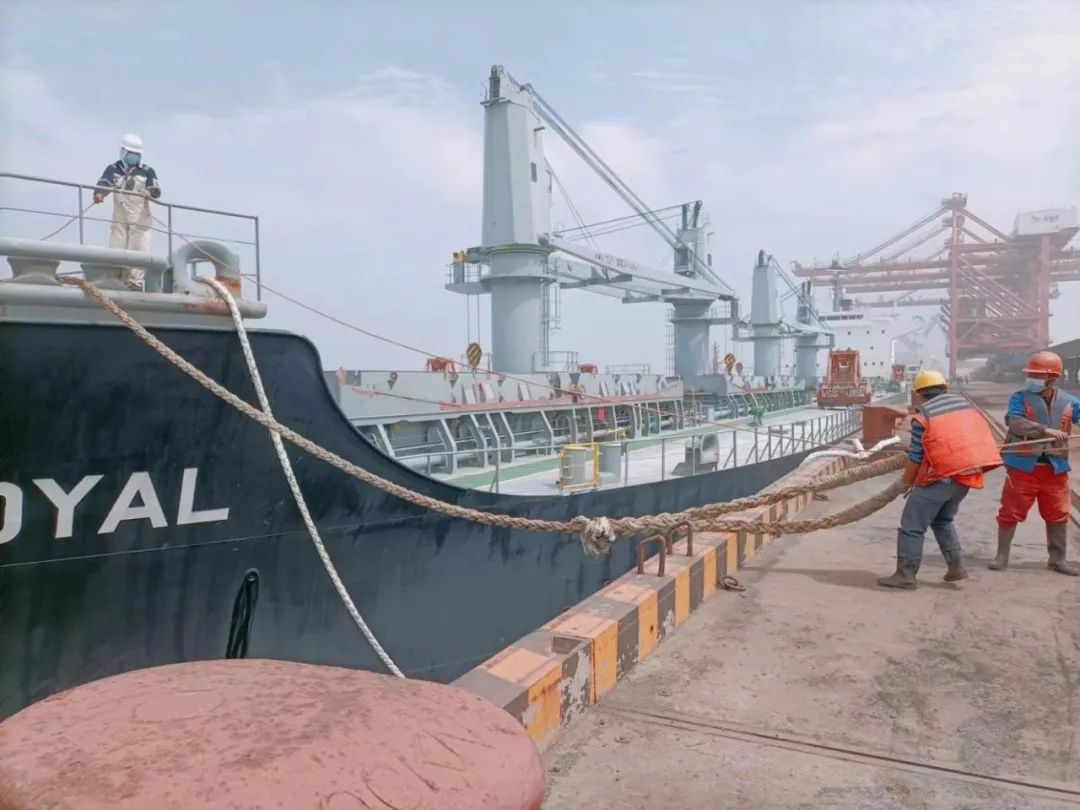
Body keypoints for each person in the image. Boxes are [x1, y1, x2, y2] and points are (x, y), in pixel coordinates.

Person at [878, 370, 1002, 589]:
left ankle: (905, 575)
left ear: (919, 394)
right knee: (942, 520)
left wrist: (906, 481)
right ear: (944, 389)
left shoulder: (924, 416)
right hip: (966, 476)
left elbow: (916, 456)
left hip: (939, 479)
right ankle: (956, 567)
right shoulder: (965, 407)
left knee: (912, 526)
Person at [992, 350, 1079, 575]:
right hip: (1023, 466)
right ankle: (1002, 556)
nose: (1031, 378)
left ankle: (1057, 560)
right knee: (1010, 510)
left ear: (1052, 378)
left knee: (1058, 513)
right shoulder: (1019, 398)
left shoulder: (1070, 402)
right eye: (1031, 374)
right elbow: (1015, 422)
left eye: (1037, 375)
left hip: (1055, 468)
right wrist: (1045, 430)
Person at [93, 133, 161, 289]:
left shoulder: (147, 171)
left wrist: (149, 192)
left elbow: (156, 190)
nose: (132, 156)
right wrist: (99, 194)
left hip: (140, 217)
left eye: (135, 154)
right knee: (117, 245)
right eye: (130, 153)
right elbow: (104, 182)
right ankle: (116, 280)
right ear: (123, 152)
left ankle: (135, 283)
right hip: (120, 215)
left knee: (139, 248)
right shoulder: (114, 168)